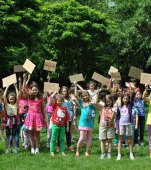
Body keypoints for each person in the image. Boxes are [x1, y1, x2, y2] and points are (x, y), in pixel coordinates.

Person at [24, 81, 46, 154]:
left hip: (38, 118)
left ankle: (37, 148)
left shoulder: (41, 98)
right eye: (33, 90)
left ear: (38, 90)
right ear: (30, 90)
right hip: (30, 117)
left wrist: (45, 117)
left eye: (36, 90)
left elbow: (43, 109)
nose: (34, 91)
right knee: (30, 134)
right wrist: (24, 79)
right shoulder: (29, 97)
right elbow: (24, 88)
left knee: (37, 134)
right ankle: (32, 147)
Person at [75, 90, 98, 157]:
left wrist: (97, 94)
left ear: (88, 95)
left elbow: (96, 103)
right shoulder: (81, 103)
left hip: (90, 122)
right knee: (82, 138)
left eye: (86, 95)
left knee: (89, 137)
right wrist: (76, 85)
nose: (85, 97)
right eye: (83, 96)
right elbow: (76, 96)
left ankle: (87, 151)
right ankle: (77, 150)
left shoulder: (92, 103)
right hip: (83, 123)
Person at [116, 94, 135, 160]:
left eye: (127, 99)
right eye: (124, 98)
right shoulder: (119, 106)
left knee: (129, 140)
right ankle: (119, 155)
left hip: (128, 124)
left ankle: (131, 154)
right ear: (122, 99)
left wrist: (132, 89)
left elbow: (132, 98)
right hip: (121, 124)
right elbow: (117, 117)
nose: (125, 100)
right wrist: (117, 127)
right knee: (120, 140)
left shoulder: (129, 105)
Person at [3, 84, 20, 154]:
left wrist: (16, 87)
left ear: (14, 99)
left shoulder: (16, 104)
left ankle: (13, 148)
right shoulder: (7, 105)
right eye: (10, 99)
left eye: (13, 98)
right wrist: (7, 87)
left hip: (14, 122)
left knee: (13, 136)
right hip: (8, 122)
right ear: (8, 99)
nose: (11, 100)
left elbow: (18, 95)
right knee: (7, 136)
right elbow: (4, 96)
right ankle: (7, 149)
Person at [99, 95, 115, 159]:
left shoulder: (113, 108)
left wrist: (113, 112)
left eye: (110, 101)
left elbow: (113, 117)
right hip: (102, 126)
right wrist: (99, 94)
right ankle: (103, 153)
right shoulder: (102, 107)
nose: (108, 103)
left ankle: (109, 153)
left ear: (112, 101)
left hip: (110, 126)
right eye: (107, 101)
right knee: (103, 140)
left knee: (110, 140)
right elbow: (96, 103)